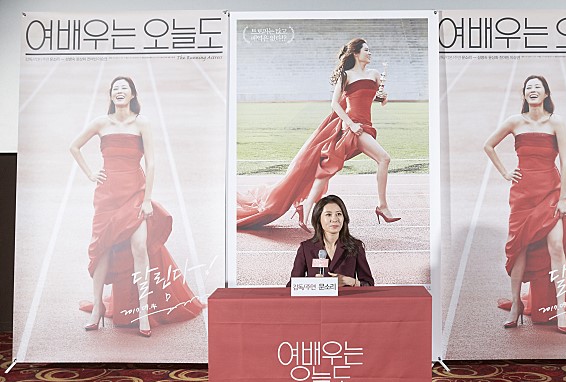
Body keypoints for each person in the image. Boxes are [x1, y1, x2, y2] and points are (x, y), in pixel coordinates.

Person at [483, 74, 566, 333]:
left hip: (550, 193)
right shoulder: (514, 121)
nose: (533, 90)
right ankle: (516, 305)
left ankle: (561, 308)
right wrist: (505, 173)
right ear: (524, 94)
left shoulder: (556, 122)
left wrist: (563, 198)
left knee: (556, 246)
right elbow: (488, 146)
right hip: (522, 195)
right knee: (519, 249)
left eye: (538, 87)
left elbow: (565, 162)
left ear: (546, 94)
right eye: (529, 87)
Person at [70, 76, 204, 337]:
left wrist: (146, 199)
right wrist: (90, 174)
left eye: (124, 88)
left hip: (134, 193)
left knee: (139, 247)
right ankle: (97, 308)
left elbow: (151, 163)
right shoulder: (101, 123)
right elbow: (74, 147)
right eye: (115, 89)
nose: (120, 92)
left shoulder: (142, 123)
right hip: (107, 197)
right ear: (111, 95)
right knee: (101, 250)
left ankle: (143, 310)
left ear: (132, 95)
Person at [237, 38, 400, 232]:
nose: (370, 53)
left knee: (327, 169)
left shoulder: (375, 75)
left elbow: (373, 98)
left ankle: (305, 208)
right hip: (352, 127)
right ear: (356, 53)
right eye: (366, 50)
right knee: (383, 158)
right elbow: (335, 104)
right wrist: (350, 124)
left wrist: (383, 98)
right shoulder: (346, 76)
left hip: (365, 125)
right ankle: (382, 206)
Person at [289, 195, 374, 287]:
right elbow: (292, 286)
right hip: (317, 297)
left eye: (339, 214)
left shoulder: (356, 246)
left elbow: (369, 284)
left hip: (346, 296)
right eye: (328, 214)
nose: (334, 219)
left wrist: (351, 282)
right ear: (318, 218)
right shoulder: (306, 248)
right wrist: (313, 283)